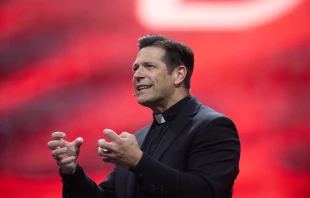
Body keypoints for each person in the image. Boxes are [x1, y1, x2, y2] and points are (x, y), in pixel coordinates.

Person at [47, 34, 240, 198]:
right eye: (135, 68)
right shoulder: (136, 140)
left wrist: (138, 162)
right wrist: (71, 172)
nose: (137, 75)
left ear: (179, 74)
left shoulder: (213, 127)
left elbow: (206, 192)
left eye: (149, 66)